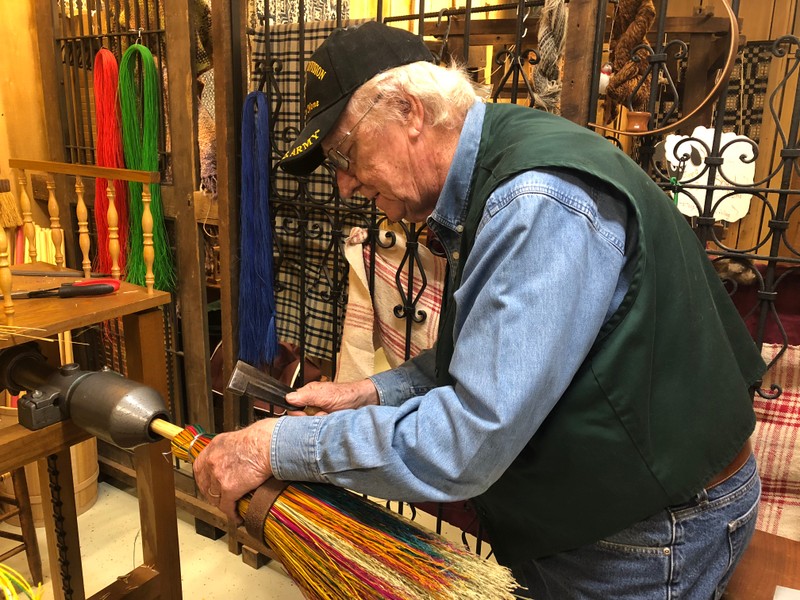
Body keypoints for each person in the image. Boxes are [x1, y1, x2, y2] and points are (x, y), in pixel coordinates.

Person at [194, 21, 766, 599]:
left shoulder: (534, 201)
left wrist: (272, 446)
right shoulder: (498, 169)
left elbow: (467, 440)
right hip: (614, 507)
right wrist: (373, 393)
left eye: (344, 153)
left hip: (647, 532)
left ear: (408, 111)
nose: (342, 186)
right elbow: (493, 352)